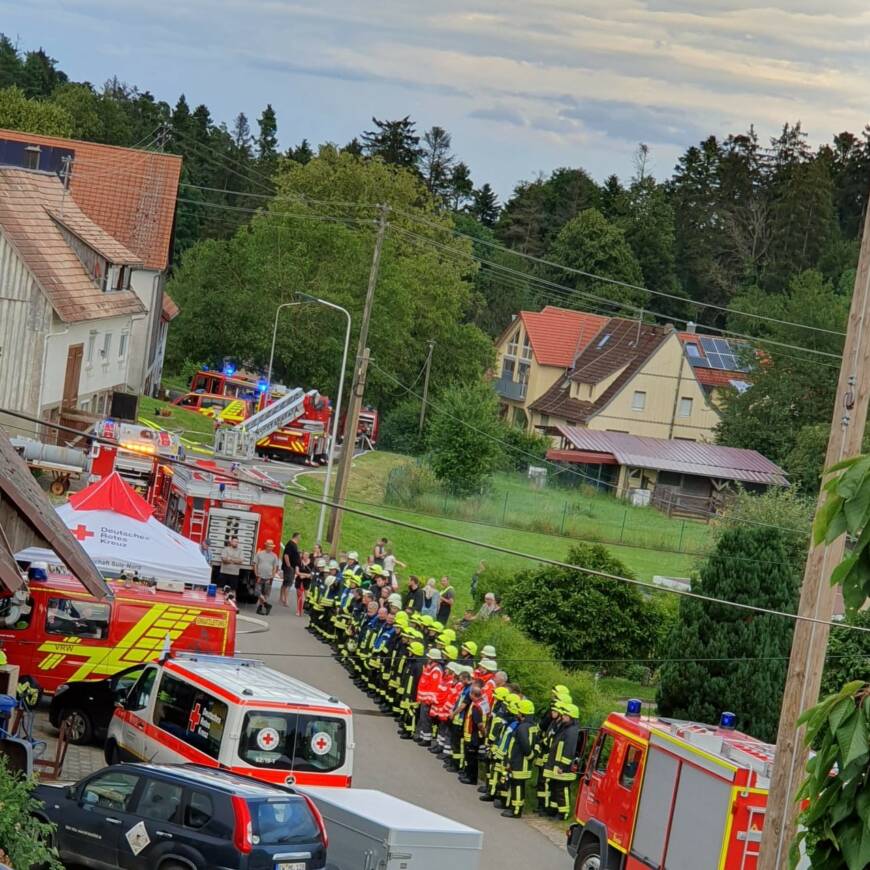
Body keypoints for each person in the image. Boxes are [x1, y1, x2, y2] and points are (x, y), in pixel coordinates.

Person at [253, 539, 280, 615]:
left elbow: (275, 567)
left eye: (272, 546)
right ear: (266, 546)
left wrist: (272, 576)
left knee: (266, 593)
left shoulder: (274, 555)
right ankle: (266, 604)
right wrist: (256, 573)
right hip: (260, 576)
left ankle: (260, 607)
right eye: (269, 546)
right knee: (257, 592)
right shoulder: (259, 554)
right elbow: (255, 564)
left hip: (268, 577)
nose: (271, 548)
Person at [281, 532, 302, 608]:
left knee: (285, 582)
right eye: (299, 537)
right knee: (288, 584)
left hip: (291, 567)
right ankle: (285, 600)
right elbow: (286, 555)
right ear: (296, 537)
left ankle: (282, 598)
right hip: (289, 567)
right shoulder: (291, 544)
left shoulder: (294, 545)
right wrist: (289, 565)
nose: (300, 539)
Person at [294, 551, 313, 617]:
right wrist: (305, 575)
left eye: (307, 555)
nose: (305, 556)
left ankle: (306, 609)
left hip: (307, 581)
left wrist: (305, 576)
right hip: (299, 581)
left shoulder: (311, 563)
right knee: (299, 596)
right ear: (302, 555)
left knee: (307, 596)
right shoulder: (299, 562)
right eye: (304, 555)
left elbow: (312, 574)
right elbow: (297, 572)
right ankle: (298, 610)